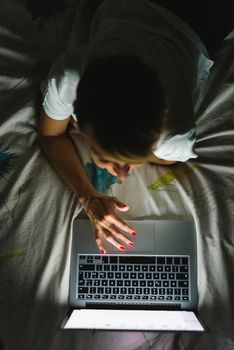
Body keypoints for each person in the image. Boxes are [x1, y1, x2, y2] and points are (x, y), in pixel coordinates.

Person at [38, 0, 215, 253]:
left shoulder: (174, 135)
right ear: (80, 120)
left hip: (195, 22)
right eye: (107, 158)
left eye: (131, 161)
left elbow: (168, 161)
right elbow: (49, 135)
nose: (121, 174)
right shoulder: (68, 79)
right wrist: (88, 197)